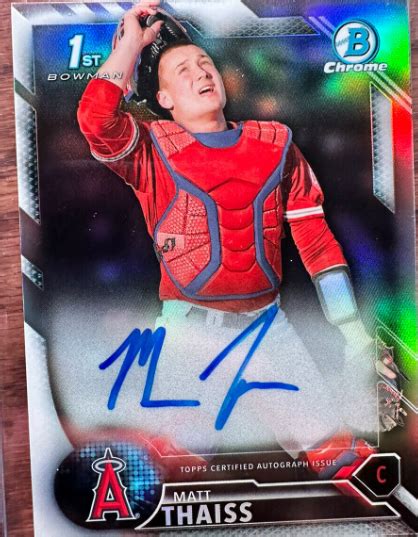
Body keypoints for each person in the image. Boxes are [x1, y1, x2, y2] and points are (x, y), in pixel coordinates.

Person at [77, 0, 398, 476]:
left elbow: (315, 240)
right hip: (189, 334)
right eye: (183, 70)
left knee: (342, 456)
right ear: (163, 97)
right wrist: (129, 46)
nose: (200, 73)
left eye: (205, 63)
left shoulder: (275, 144)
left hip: (268, 328)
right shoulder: (150, 149)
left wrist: (352, 332)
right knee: (165, 469)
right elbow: (95, 119)